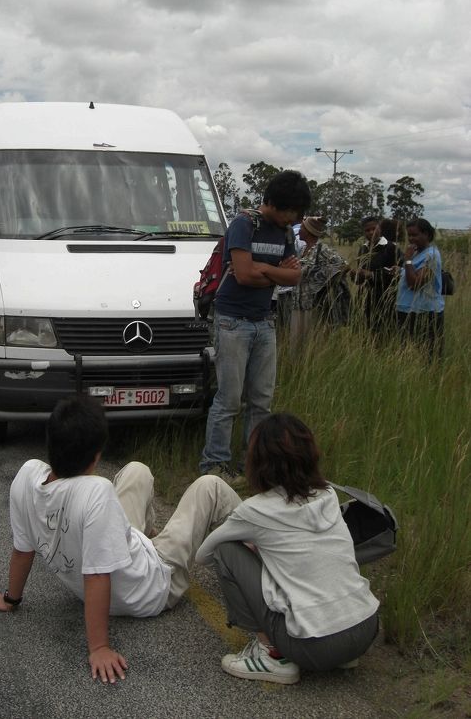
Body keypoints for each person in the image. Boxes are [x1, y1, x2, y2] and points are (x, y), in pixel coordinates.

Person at [0, 395, 241, 683]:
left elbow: (22, 550)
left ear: (49, 442)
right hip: (156, 584)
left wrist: (10, 599)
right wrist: (98, 647)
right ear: (96, 456)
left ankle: (149, 536)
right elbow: (97, 576)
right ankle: (266, 536)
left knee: (136, 470)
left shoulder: (26, 477)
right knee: (210, 486)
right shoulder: (96, 491)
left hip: (104, 579)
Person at [196, 413, 380, 685]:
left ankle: (272, 656)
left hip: (315, 647)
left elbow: (204, 555)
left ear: (258, 462)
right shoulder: (328, 493)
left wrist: (256, 548)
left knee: (227, 550)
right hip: (366, 628)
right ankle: (343, 656)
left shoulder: (256, 510)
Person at [199, 170, 312, 482]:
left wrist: (263, 266)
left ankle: (254, 466)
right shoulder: (244, 224)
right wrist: (275, 271)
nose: (295, 219)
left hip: (265, 322)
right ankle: (215, 466)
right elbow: (244, 276)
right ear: (277, 204)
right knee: (229, 400)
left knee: (261, 400)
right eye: (293, 212)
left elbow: (294, 276)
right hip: (232, 322)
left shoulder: (286, 233)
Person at [289, 216, 348, 353]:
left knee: (310, 345)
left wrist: (318, 282)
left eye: (303, 227)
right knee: (295, 346)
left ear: (309, 231)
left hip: (312, 306)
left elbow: (342, 265)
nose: (300, 230)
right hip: (297, 304)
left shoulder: (321, 249)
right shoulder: (303, 250)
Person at [396, 217, 445, 360]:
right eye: (409, 235)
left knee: (428, 356)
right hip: (406, 309)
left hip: (425, 312)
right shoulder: (417, 252)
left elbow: (415, 284)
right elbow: (410, 273)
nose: (411, 239)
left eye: (415, 235)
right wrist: (399, 270)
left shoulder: (432, 255)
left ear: (427, 235)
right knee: (406, 354)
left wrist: (408, 260)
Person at [351, 216, 403, 335]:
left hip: (385, 298)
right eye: (367, 230)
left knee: (383, 331)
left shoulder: (391, 248)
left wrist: (372, 275)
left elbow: (397, 273)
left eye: (373, 228)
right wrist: (355, 275)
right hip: (365, 297)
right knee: (365, 330)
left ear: (379, 228)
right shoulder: (363, 249)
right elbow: (360, 277)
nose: (371, 232)